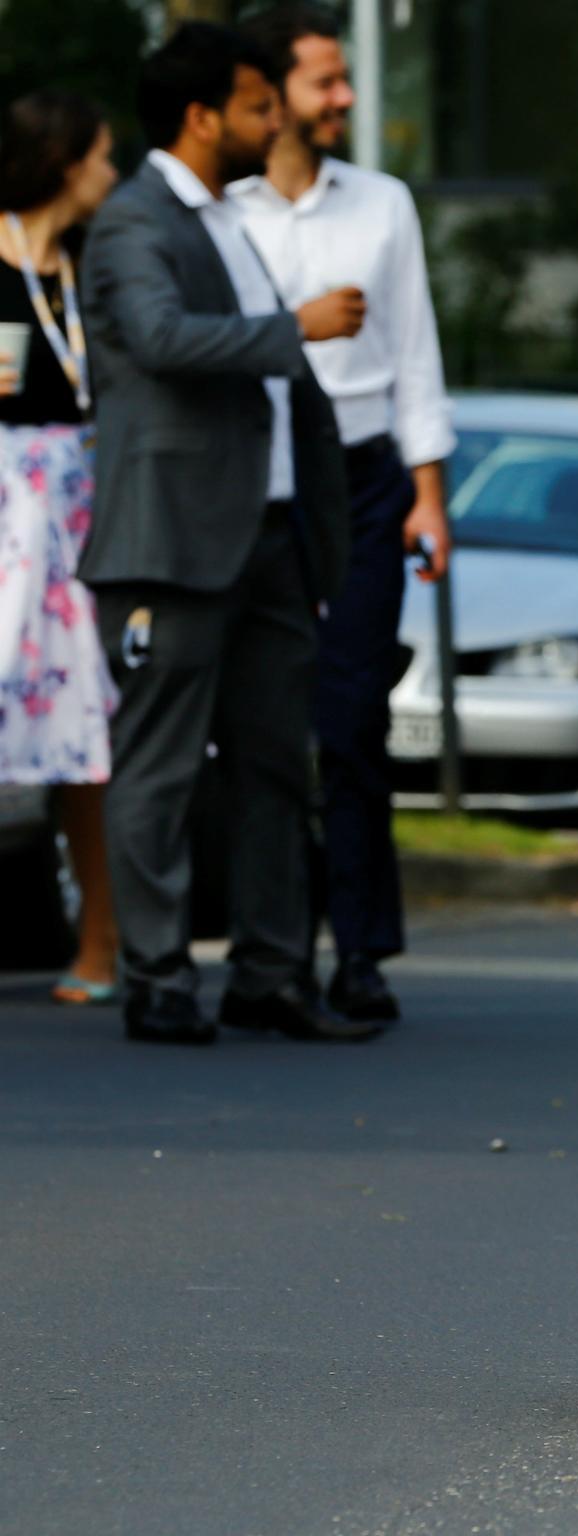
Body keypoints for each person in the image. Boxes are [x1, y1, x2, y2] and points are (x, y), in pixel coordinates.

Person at [79, 23, 375, 1045]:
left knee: (273, 766)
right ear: (202, 117)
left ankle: (268, 974)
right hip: (173, 539)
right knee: (160, 765)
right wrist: (295, 324)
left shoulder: (219, 219)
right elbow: (160, 338)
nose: (275, 119)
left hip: (272, 536)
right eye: (257, 104)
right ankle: (158, 979)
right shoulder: (134, 221)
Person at [235, 2, 454, 1023]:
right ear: (268, 92)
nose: (346, 98)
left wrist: (427, 499)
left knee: (353, 717)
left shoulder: (383, 204)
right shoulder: (219, 207)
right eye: (327, 79)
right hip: (252, 484)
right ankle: (263, 953)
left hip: (364, 481)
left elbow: (414, 353)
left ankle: (360, 951)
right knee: (261, 726)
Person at [0, 90, 121, 1005]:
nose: (112, 175)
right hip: (6, 508)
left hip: (80, 512)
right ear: (63, 160)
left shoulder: (90, 267)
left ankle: (100, 942)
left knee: (91, 726)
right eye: (103, 156)